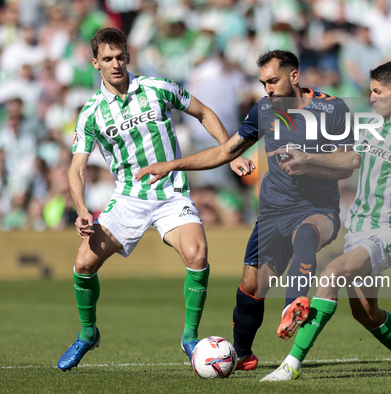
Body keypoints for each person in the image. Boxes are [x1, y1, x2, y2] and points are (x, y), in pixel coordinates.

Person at [136, 50, 354, 370]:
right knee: (251, 285)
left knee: (306, 232)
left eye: (274, 81)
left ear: (294, 77)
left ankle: (293, 303)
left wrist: (310, 160)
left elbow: (350, 161)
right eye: (264, 82)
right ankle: (242, 355)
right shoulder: (264, 110)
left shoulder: (332, 107)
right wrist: (172, 164)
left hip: (318, 207)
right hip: (273, 211)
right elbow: (227, 151)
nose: (268, 89)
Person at [57, 27, 252, 371]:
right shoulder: (91, 113)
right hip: (129, 198)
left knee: (198, 253)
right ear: (95, 64)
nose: (115, 64)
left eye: (120, 57)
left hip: (171, 194)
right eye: (107, 59)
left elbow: (204, 112)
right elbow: (76, 169)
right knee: (83, 264)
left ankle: (190, 337)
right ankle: (88, 333)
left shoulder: (158, 88)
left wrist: (231, 153)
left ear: (128, 56)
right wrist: (82, 210)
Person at [261, 61, 391, 381]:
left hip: (387, 232)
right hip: (357, 229)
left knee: (331, 272)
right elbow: (353, 158)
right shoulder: (374, 123)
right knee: (366, 314)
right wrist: (307, 158)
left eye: (377, 91)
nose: (371, 98)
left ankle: (290, 366)